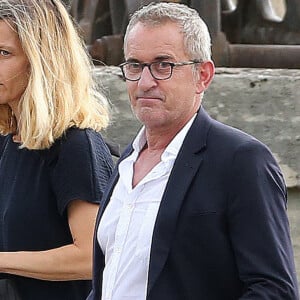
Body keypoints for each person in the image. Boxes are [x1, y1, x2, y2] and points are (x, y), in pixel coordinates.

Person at [87, 2, 299, 300]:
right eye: (135, 65)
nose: (145, 82)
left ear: (203, 75)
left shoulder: (241, 160)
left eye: (164, 65)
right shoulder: (126, 162)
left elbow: (274, 290)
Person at [0, 0, 114, 299]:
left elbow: (91, 256)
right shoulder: (8, 142)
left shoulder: (76, 146)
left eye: (4, 53)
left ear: (42, 60)